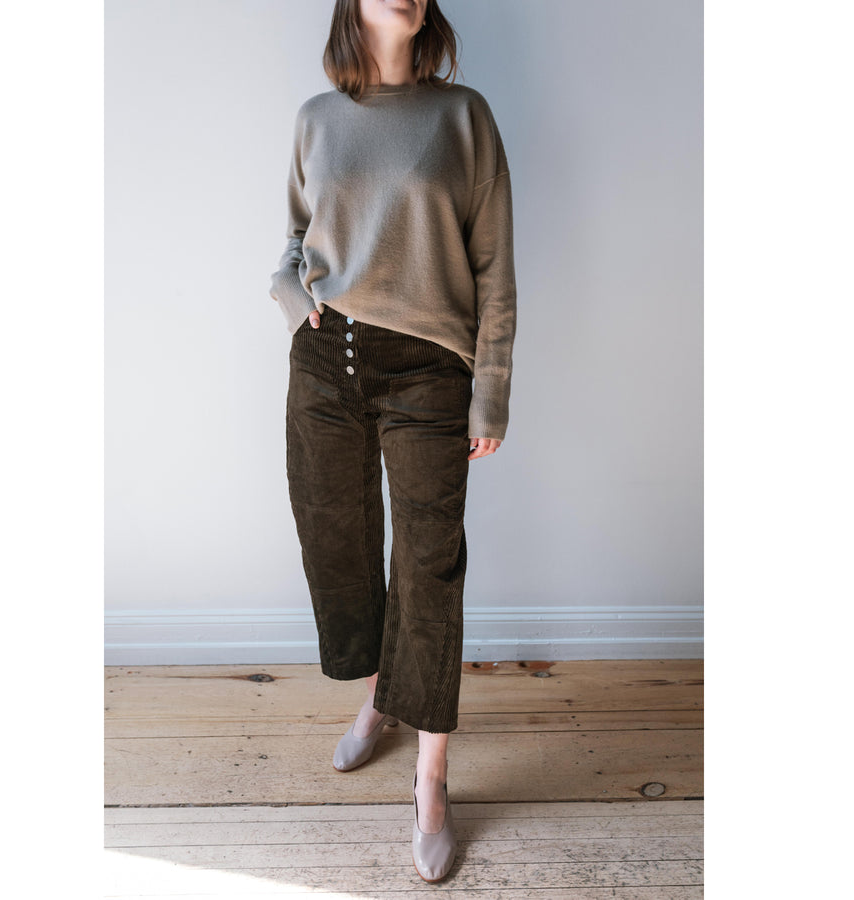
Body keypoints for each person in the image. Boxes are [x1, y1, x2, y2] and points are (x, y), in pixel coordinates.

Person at [269, 0, 516, 883]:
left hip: (428, 370)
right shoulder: (316, 118)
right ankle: (381, 699)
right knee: (336, 537)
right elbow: (294, 239)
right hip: (324, 359)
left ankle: (432, 778)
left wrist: (490, 395)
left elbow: (494, 268)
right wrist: (292, 299)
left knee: (428, 562)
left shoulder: (464, 116)